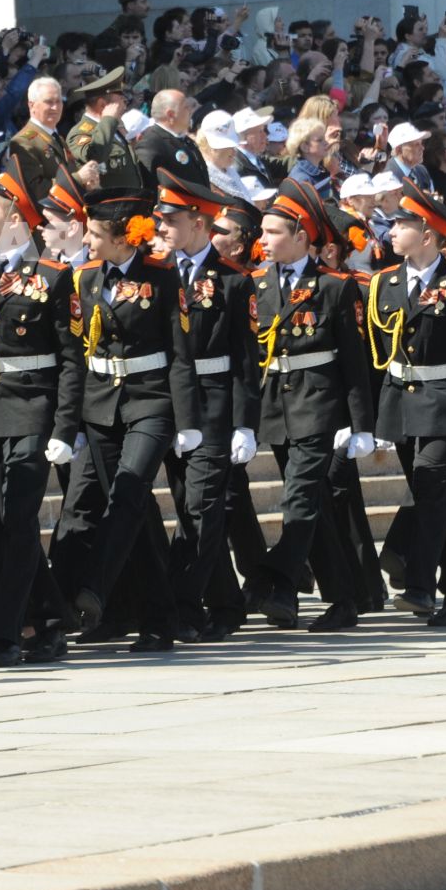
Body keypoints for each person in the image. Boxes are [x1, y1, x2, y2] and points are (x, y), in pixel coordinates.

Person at [52, 186, 200, 652]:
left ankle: (95, 587)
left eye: (95, 234)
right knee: (138, 515)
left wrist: (188, 419)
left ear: (122, 237)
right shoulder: (88, 277)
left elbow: (180, 353)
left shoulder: (162, 276)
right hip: (100, 404)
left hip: (150, 401)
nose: (88, 242)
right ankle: (156, 619)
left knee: (130, 489)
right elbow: (78, 351)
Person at [363, 181, 446, 628]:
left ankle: (421, 584)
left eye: (401, 224)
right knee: (436, 499)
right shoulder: (384, 283)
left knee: (431, 486)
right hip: (400, 401)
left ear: (426, 235)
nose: (391, 231)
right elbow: (374, 356)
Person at [246, 178, 376, 628]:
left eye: (273, 232)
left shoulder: (335, 288)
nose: (262, 240)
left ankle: (270, 580)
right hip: (275, 406)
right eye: (262, 232)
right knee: (313, 506)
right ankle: (343, 600)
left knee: (298, 499)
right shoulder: (255, 285)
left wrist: (360, 424)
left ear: (302, 236)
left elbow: (354, 363)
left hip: (319, 405)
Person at [0, 165, 81, 665]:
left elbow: (73, 358)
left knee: (17, 522)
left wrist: (64, 426)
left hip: (33, 409)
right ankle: (50, 615)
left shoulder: (54, 278)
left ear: (15, 218)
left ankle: (7, 635)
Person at [152, 170, 263, 637]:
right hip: (173, 406)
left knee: (201, 506)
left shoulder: (234, 282)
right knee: (191, 506)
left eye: (171, 220)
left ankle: (180, 605)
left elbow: (244, 360)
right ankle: (225, 603)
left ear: (198, 222)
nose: (161, 229)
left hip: (215, 403)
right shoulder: (156, 274)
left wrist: (245, 424)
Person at [64, 69, 140, 189]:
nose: (124, 106)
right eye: (121, 101)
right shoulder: (79, 133)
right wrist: (108, 119)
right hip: (107, 205)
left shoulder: (113, 127)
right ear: (103, 105)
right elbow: (95, 157)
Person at [7, 76, 74, 201]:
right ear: (32, 105)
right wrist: (78, 180)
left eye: (58, 101)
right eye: (49, 102)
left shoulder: (58, 138)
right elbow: (35, 189)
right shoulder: (23, 141)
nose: (55, 107)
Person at [136, 89, 207, 186]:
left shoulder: (186, 140)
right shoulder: (151, 143)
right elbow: (150, 186)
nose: (190, 111)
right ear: (171, 115)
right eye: (186, 107)